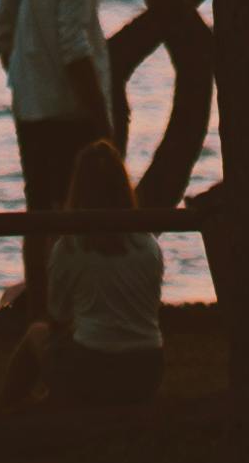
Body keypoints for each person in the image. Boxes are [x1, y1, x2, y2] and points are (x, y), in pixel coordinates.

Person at [0, 0, 117, 316]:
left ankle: (42, 306)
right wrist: (100, 116)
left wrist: (27, 80)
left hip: (31, 109)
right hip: (69, 113)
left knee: (39, 212)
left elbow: (2, 37)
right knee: (75, 212)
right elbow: (74, 51)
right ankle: (69, 304)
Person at [39, 133, 163, 416]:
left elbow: (56, 313)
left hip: (95, 367)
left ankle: (8, 405)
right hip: (148, 369)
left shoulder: (70, 248)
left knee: (38, 335)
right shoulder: (148, 244)